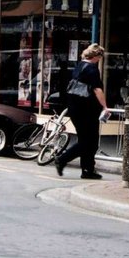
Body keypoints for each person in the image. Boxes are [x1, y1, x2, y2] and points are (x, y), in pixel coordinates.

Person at [55, 43, 110, 179]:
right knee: (89, 141)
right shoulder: (92, 69)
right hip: (86, 109)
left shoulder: (79, 66)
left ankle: (87, 170)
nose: (100, 59)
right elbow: (97, 90)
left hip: (74, 108)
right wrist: (105, 107)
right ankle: (62, 159)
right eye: (100, 56)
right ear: (96, 56)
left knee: (86, 140)